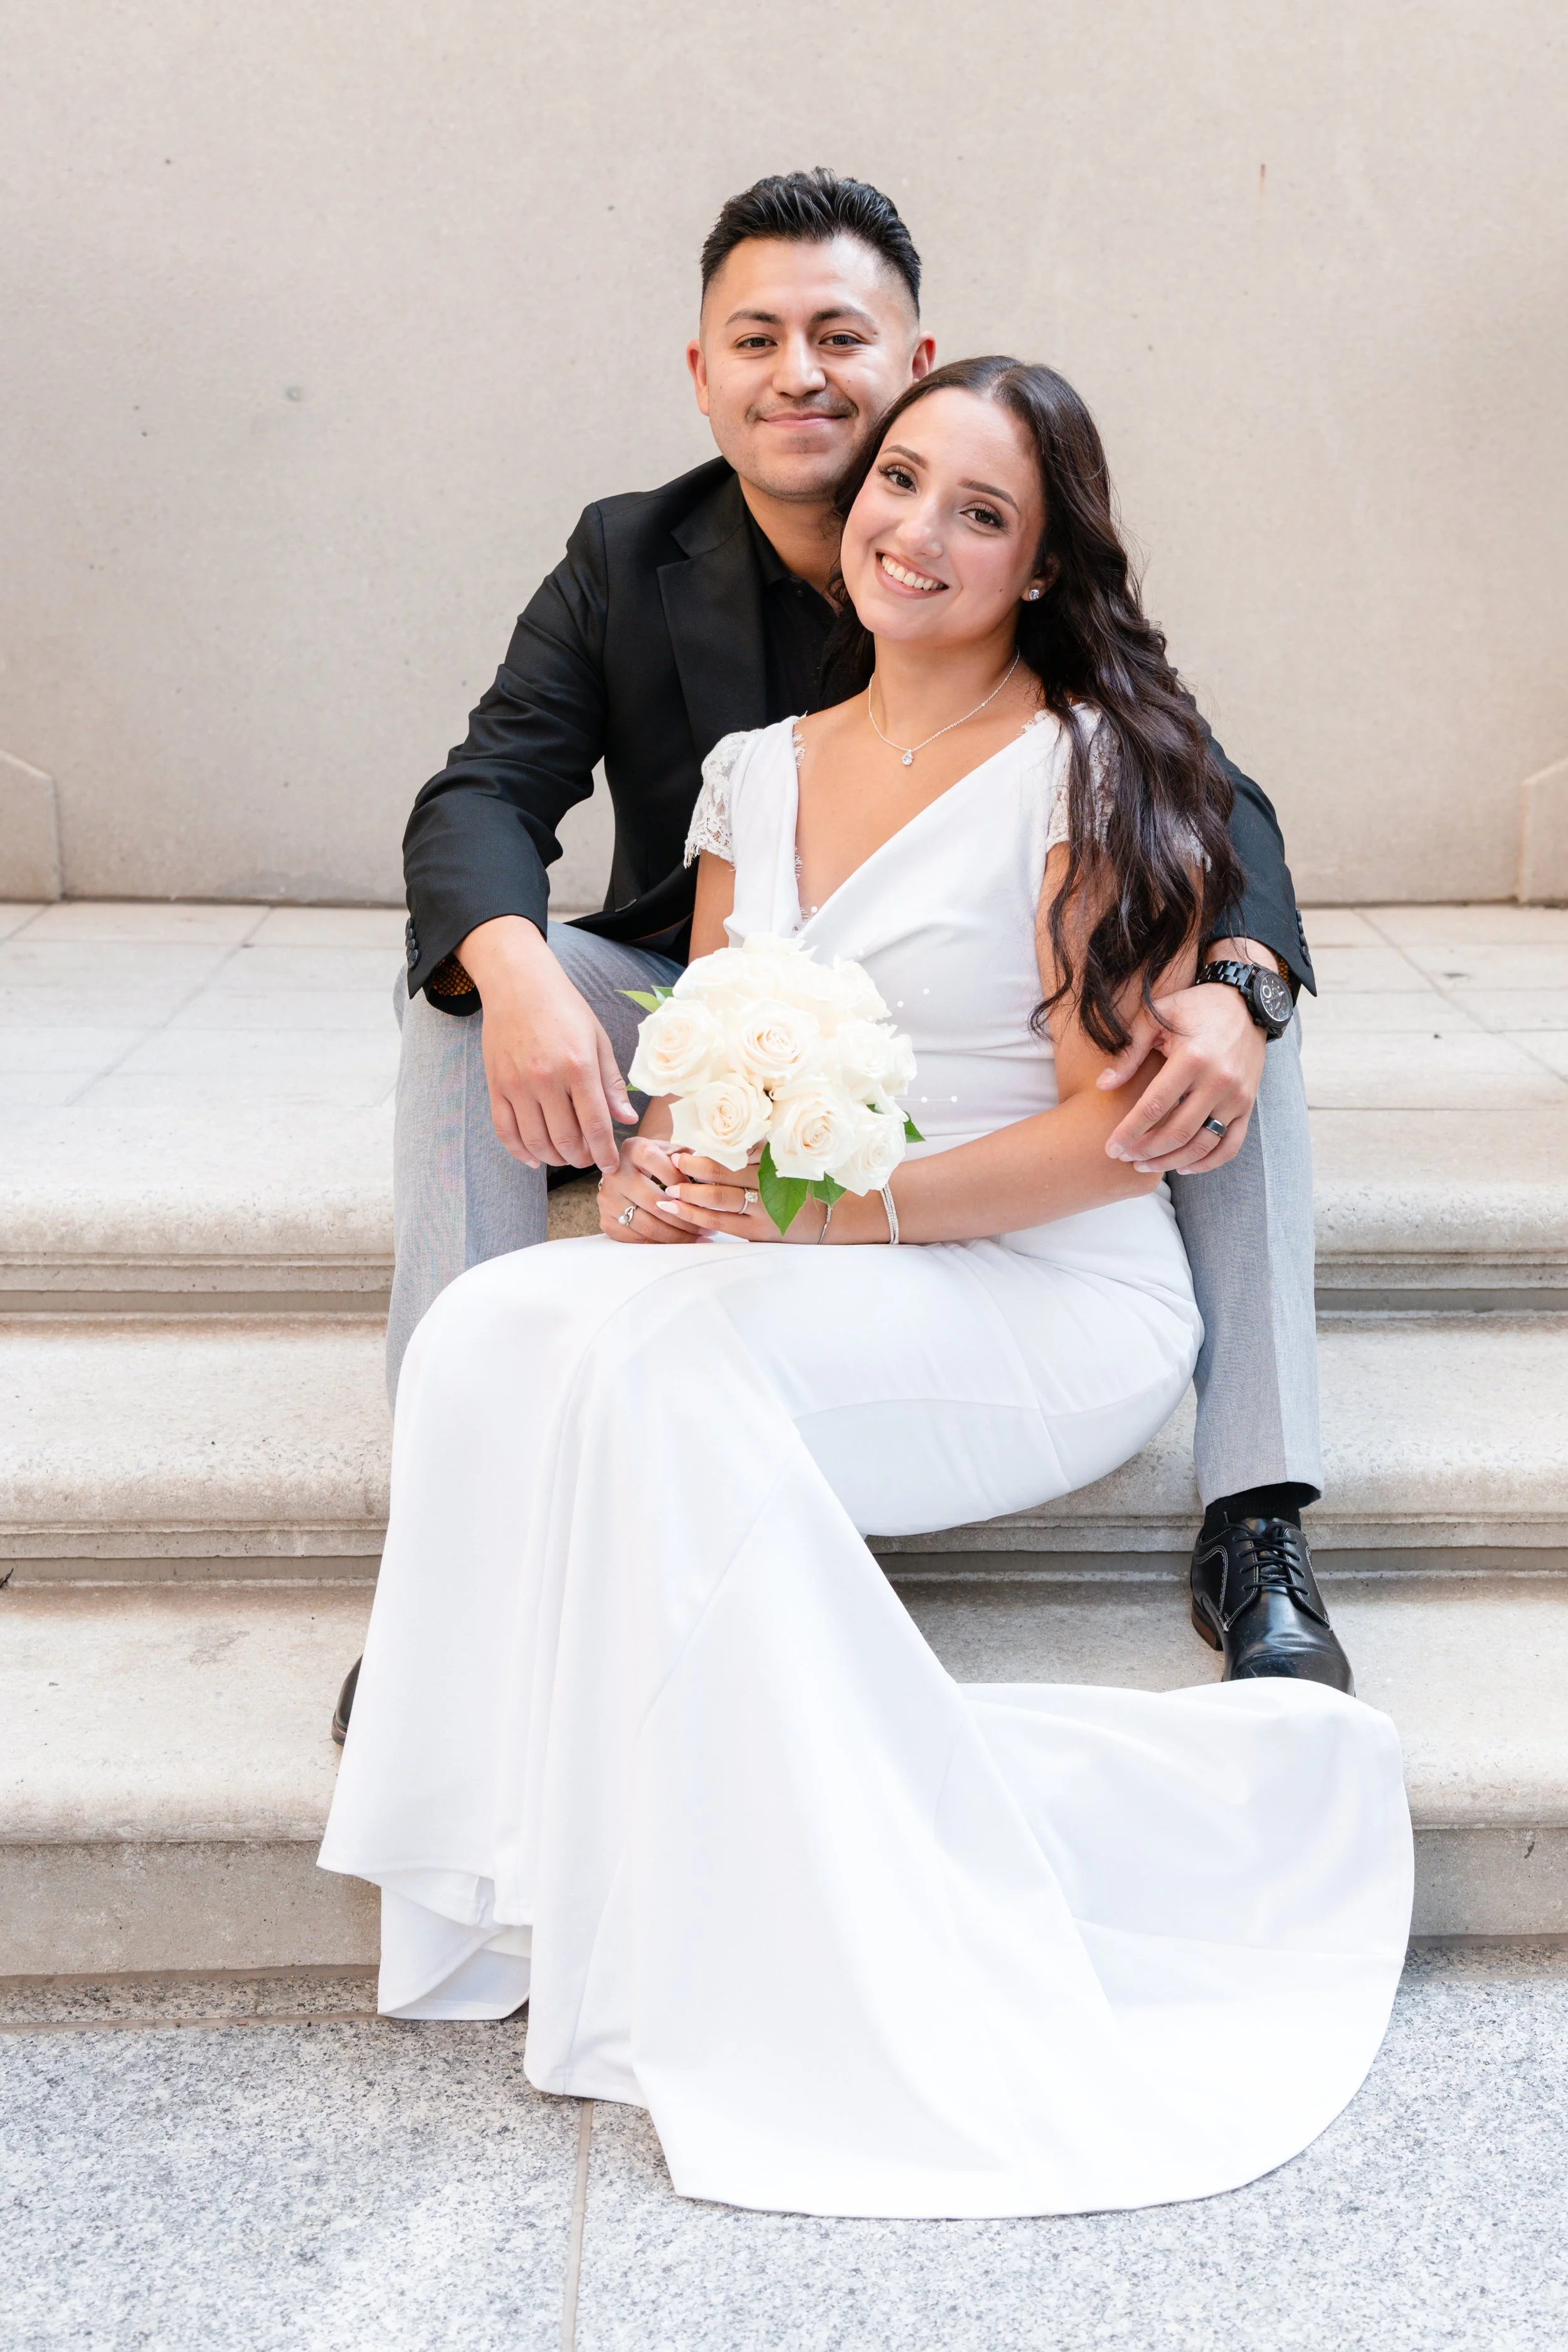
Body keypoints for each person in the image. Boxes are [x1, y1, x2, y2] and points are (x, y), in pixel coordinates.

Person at [320, 356, 1411, 2217]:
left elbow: (1106, 1140)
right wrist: (666, 1169)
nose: (916, 529)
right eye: (902, 487)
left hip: (1042, 1286)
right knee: (500, 1328)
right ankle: (513, 1875)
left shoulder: (1081, 767)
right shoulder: (754, 774)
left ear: (1040, 565)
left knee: (670, 1380)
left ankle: (730, 1910)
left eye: (978, 512)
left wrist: (829, 1215)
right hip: (811, 1253)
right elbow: (714, 1050)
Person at [332, 167, 1343, 1748]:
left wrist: (1246, 984)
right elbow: (483, 786)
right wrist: (516, 968)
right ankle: (450, 1543)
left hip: (987, 1034)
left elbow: (1208, 799)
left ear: (908, 363)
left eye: (838, 334)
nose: (797, 372)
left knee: (1213, 1033)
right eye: (756, 336)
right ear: (702, 370)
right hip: (702, 962)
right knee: (461, 1009)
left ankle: (1258, 1506)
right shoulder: (627, 552)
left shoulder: (967, 534)